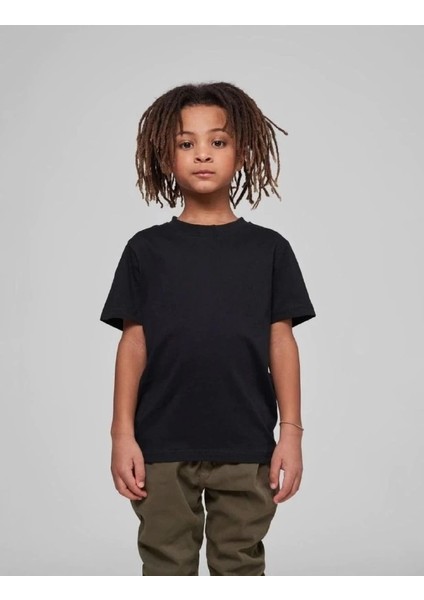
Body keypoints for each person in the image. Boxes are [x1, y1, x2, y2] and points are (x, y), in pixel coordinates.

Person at [99, 81, 316, 576]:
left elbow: (281, 341)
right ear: (165, 156)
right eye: (186, 143)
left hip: (246, 443)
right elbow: (133, 344)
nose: (202, 154)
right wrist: (121, 434)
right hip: (160, 445)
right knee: (166, 566)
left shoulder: (270, 250)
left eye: (218, 141)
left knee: (239, 567)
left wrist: (292, 433)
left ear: (242, 152)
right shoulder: (145, 250)